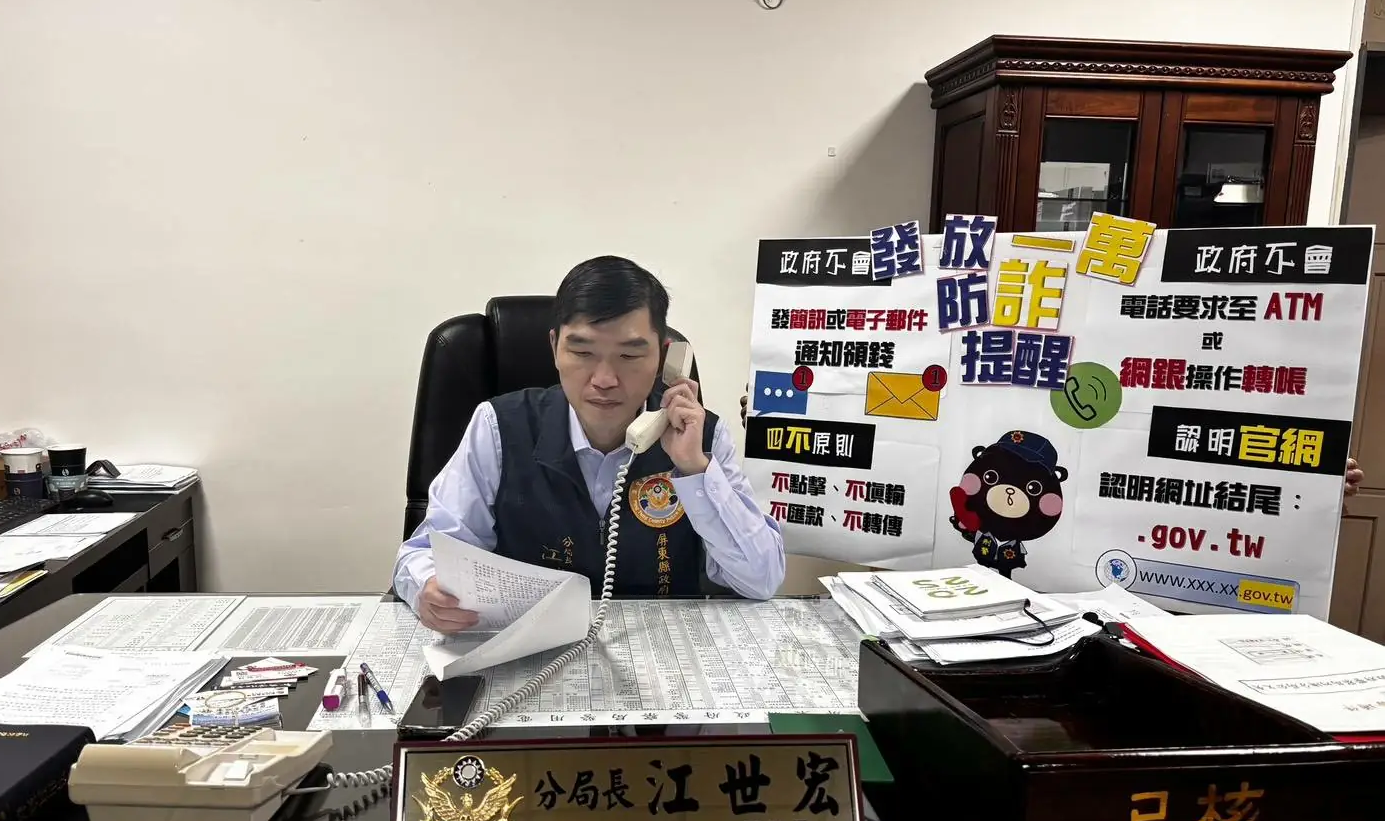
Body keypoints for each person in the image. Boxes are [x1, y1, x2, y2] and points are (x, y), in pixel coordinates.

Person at [396, 256, 786, 633]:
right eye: (582, 352)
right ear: (554, 347)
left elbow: (761, 580)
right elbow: (423, 553)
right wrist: (429, 588)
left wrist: (695, 470)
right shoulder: (498, 426)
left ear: (664, 358)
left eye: (629, 355)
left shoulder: (703, 436)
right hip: (529, 652)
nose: (604, 379)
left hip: (663, 654)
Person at [739, 388, 1366, 495]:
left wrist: (1303, 487)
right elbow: (896, 432)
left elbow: (1171, 464)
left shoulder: (1149, 408)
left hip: (1112, 622)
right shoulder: (959, 415)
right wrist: (773, 420)